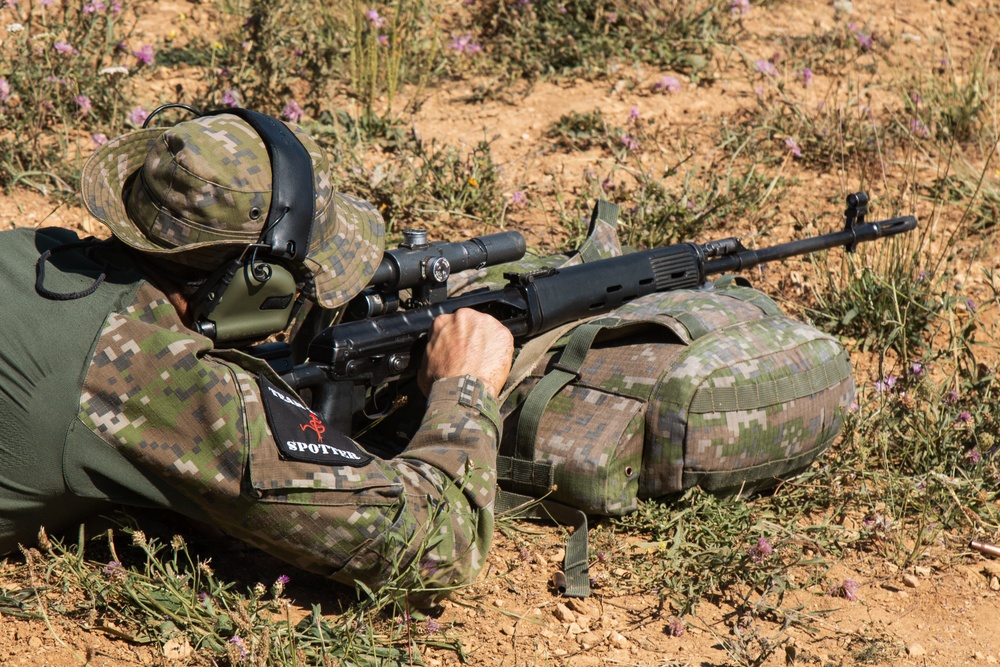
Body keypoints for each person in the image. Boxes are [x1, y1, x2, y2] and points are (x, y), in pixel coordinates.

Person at [0, 110, 514, 601]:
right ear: (251, 283)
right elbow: (435, 547)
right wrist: (465, 384)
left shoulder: (29, 251)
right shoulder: (148, 371)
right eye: (300, 283)